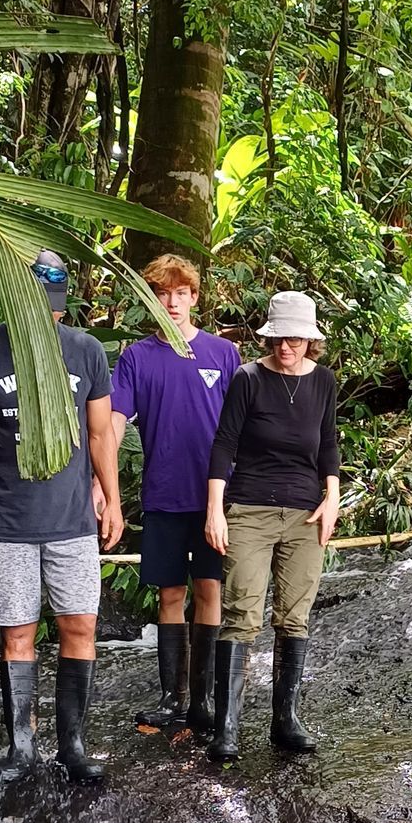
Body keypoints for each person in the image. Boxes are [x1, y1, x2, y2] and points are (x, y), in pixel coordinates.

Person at [0, 250, 123, 782]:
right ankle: (22, 747)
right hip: (8, 520)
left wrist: (111, 496)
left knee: (80, 624)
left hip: (72, 520)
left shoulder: (85, 351)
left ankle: (73, 744)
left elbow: (101, 435)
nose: (49, 316)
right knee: (17, 634)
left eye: (57, 306)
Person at [204, 289, 340, 760]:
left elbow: (328, 445)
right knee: (242, 615)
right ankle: (227, 728)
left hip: (305, 514)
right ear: (269, 337)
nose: (287, 347)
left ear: (311, 340)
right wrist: (215, 510)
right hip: (249, 511)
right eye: (279, 338)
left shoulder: (323, 382)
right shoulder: (248, 378)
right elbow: (224, 445)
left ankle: (286, 720)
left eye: (297, 340)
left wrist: (332, 498)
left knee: (294, 616)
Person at [108, 255, 241, 736]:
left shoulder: (224, 355)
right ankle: (172, 697)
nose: (172, 302)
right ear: (151, 301)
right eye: (162, 293)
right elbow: (115, 420)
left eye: (181, 293)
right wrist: (102, 485)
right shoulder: (137, 358)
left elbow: (240, 426)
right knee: (170, 592)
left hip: (214, 500)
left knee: (210, 589)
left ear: (194, 297)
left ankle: (203, 699)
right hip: (163, 494)